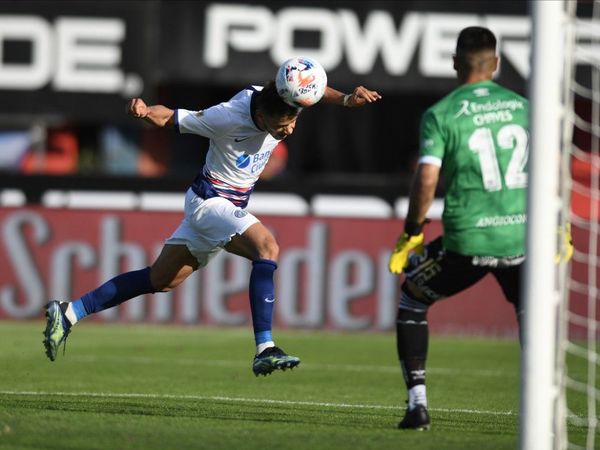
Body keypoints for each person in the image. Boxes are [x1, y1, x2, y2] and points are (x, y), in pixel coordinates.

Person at [42, 71, 382, 376]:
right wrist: (145, 113)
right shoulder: (228, 117)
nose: (290, 129)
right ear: (262, 116)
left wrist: (348, 99)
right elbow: (173, 117)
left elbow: (312, 90)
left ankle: (69, 312)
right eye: (283, 126)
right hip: (209, 203)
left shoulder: (280, 99)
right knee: (267, 247)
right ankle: (265, 348)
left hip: (222, 207)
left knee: (160, 279)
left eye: (294, 121)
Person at [388, 26, 529, 429]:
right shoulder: (525, 107)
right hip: (522, 238)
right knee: (531, 311)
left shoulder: (442, 113)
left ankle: (417, 405)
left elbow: (427, 179)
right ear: (496, 64)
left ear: (454, 62)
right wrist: (561, 228)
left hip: (466, 241)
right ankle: (541, 405)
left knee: (413, 299)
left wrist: (413, 231)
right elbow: (554, 170)